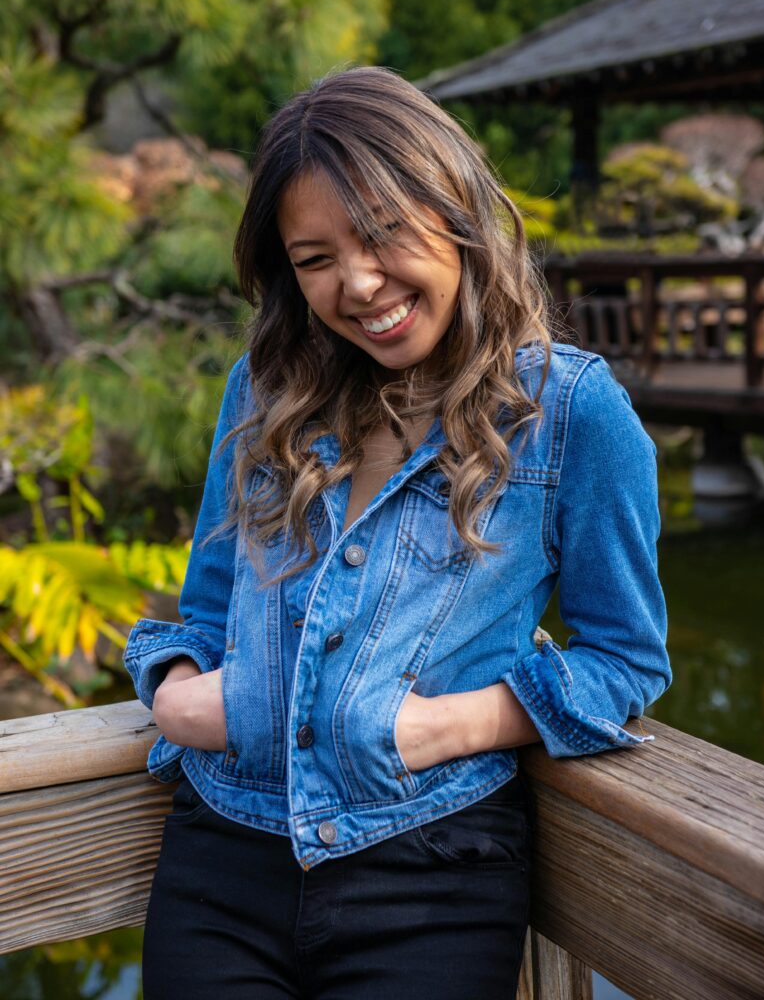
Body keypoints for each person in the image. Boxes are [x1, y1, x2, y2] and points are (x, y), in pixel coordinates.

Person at [124, 66, 671, 1000]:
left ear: (454, 207)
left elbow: (627, 661)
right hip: (223, 853)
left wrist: (430, 729)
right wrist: (176, 692)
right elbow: (208, 608)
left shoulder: (572, 413)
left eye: (380, 233)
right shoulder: (261, 390)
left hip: (434, 869)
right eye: (314, 258)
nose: (359, 282)